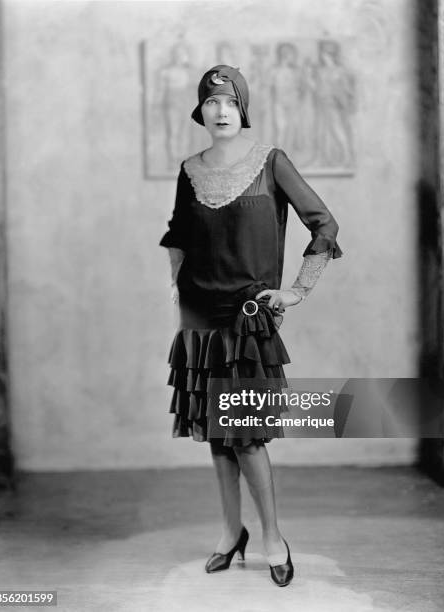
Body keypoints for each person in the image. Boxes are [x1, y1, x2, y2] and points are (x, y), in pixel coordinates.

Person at [159, 65, 342, 587]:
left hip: (246, 317)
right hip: (198, 315)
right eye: (212, 102)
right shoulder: (189, 168)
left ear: (242, 108)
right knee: (217, 436)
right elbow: (177, 232)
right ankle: (229, 531)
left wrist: (297, 290)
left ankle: (272, 537)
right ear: (201, 110)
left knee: (247, 436)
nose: (221, 111)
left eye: (230, 102)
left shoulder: (271, 162)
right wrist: (176, 280)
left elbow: (323, 224)